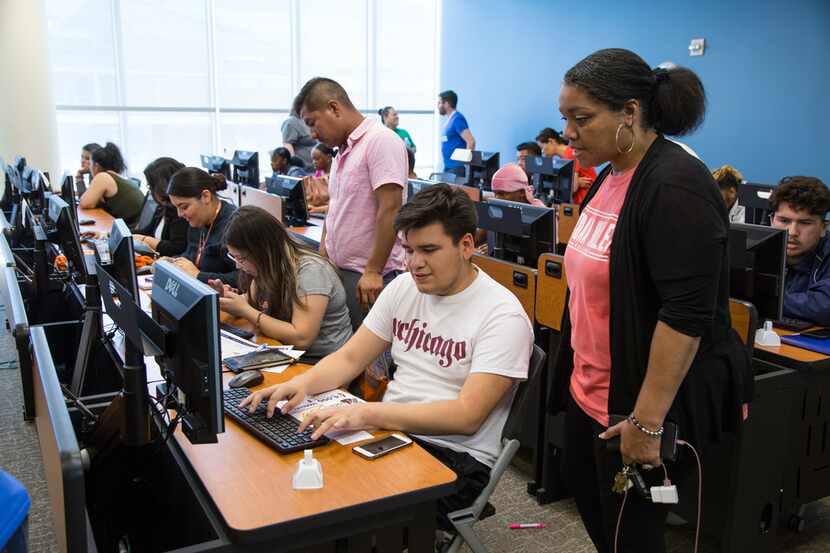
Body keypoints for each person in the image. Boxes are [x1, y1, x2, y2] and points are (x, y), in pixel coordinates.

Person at [240, 184, 533, 534]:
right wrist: (296, 385)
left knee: (334, 516)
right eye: (408, 250)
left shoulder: (502, 316)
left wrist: (365, 413)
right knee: (297, 483)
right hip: (391, 430)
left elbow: (466, 417)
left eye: (429, 250)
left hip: (453, 458)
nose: (415, 263)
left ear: (467, 245)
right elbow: (350, 358)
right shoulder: (404, 287)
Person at [551, 48, 750, 553]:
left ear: (630, 113)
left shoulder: (675, 184)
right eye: (565, 119)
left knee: (633, 536)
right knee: (603, 522)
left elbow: (686, 316)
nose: (568, 132)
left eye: (581, 118)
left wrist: (645, 422)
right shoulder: (611, 173)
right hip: (592, 390)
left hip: (646, 405)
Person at [293, 77, 408, 330]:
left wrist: (373, 271)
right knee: (347, 355)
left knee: (372, 363)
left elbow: (390, 208)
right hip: (342, 271)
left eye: (312, 123)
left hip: (371, 277)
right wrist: (324, 255)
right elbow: (336, 208)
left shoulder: (380, 140)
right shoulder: (343, 151)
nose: (312, 134)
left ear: (334, 108)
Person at [213, 206, 352, 360]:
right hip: (288, 352)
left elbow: (302, 338)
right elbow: (250, 302)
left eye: (241, 258)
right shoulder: (268, 267)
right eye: (234, 257)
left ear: (262, 251)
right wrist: (229, 301)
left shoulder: (311, 272)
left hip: (323, 360)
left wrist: (245, 310)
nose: (238, 266)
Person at [769, 176, 830, 325]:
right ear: (771, 221)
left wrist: (763, 299)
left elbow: (824, 306)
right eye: (784, 221)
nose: (792, 232)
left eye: (805, 223)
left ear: (823, 227)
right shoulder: (757, 247)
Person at [163, 167, 238, 286]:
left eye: (184, 207)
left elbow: (243, 278)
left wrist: (198, 276)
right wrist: (172, 262)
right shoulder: (198, 221)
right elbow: (191, 255)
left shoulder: (235, 225)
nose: (180, 214)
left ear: (205, 196)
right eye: (176, 208)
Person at [78, 142, 145, 228]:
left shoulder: (103, 177)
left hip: (131, 230)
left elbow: (85, 204)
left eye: (90, 163)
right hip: (136, 227)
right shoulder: (115, 176)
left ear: (96, 166)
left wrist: (79, 178)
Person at [133, 157, 189, 257]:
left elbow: (177, 248)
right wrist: (116, 234)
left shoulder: (182, 212)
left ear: (162, 186)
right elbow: (147, 231)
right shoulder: (163, 207)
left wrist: (145, 240)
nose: (150, 191)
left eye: (151, 186)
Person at [536, 127, 597, 204]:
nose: (542, 152)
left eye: (542, 147)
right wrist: (576, 181)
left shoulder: (570, 154)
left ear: (551, 141)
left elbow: (573, 188)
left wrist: (573, 183)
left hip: (586, 200)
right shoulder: (565, 156)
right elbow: (571, 184)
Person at [438, 90, 475, 177]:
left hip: (457, 167)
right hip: (448, 166)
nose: (438, 106)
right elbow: (447, 140)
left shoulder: (457, 119)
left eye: (439, 103)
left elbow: (471, 141)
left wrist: (465, 165)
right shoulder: (448, 121)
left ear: (446, 104)